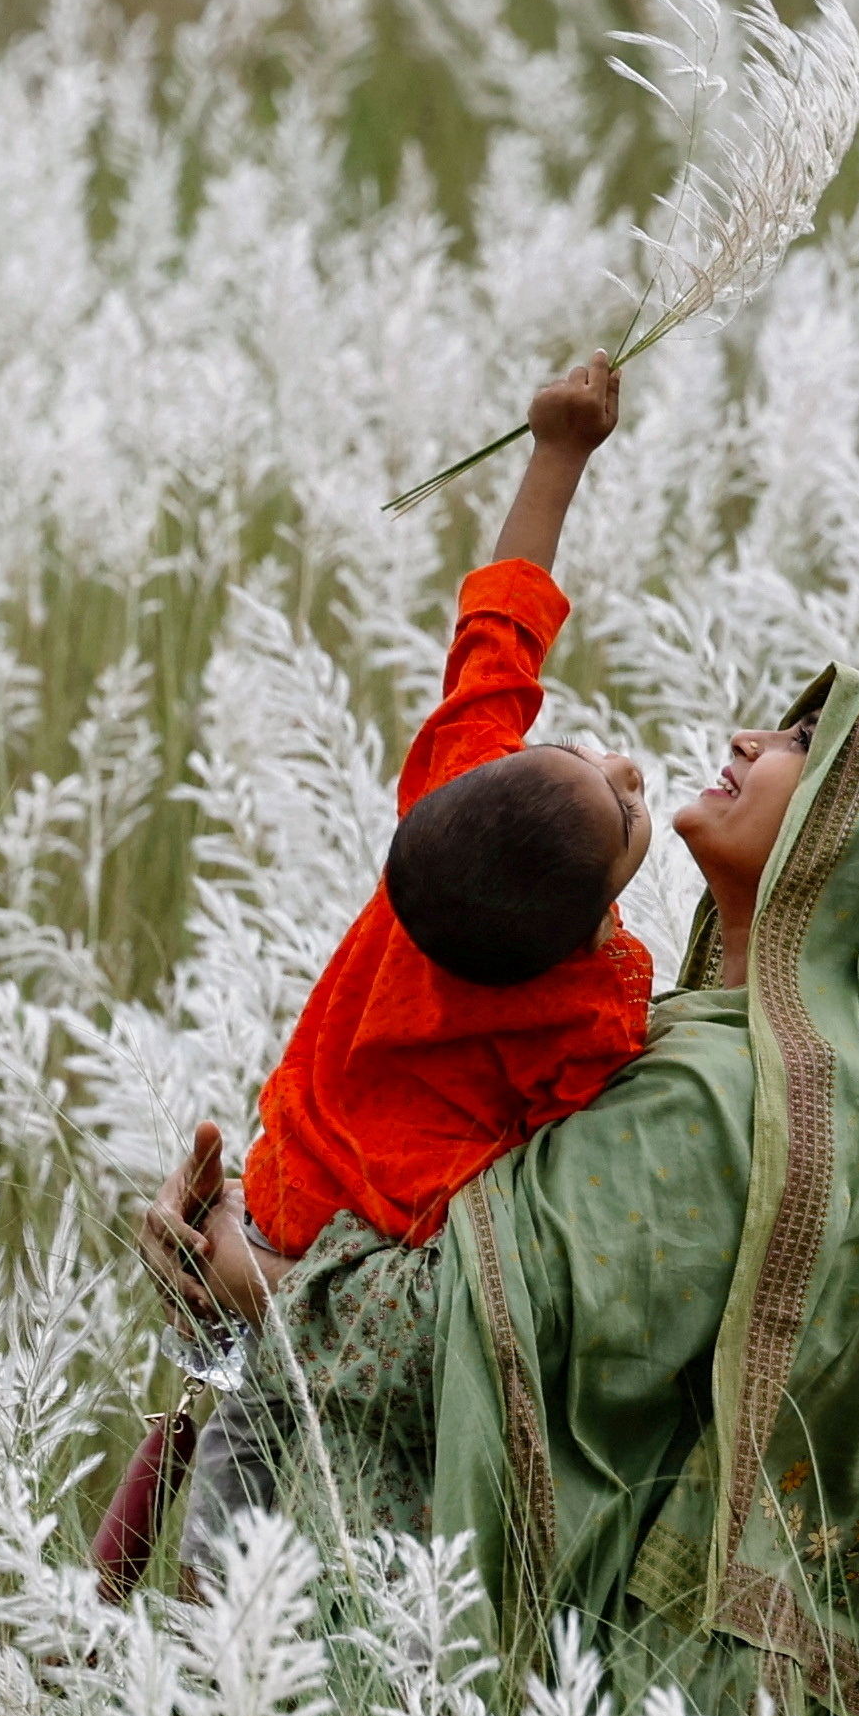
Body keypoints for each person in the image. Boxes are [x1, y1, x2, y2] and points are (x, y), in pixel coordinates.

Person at [144, 660, 859, 1716]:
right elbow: (467, 1249)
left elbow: (453, 1333)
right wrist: (243, 1249)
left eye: (806, 744)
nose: (751, 738)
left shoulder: (732, 1099)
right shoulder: (732, 1053)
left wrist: (243, 1271)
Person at [235, 349, 653, 1265]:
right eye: (623, 813)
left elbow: (499, 635)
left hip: (275, 1190)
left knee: (235, 1413)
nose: (626, 767)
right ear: (590, 931)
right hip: (371, 1264)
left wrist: (556, 451)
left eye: (589, 762)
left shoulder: (455, 783)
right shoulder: (590, 1005)